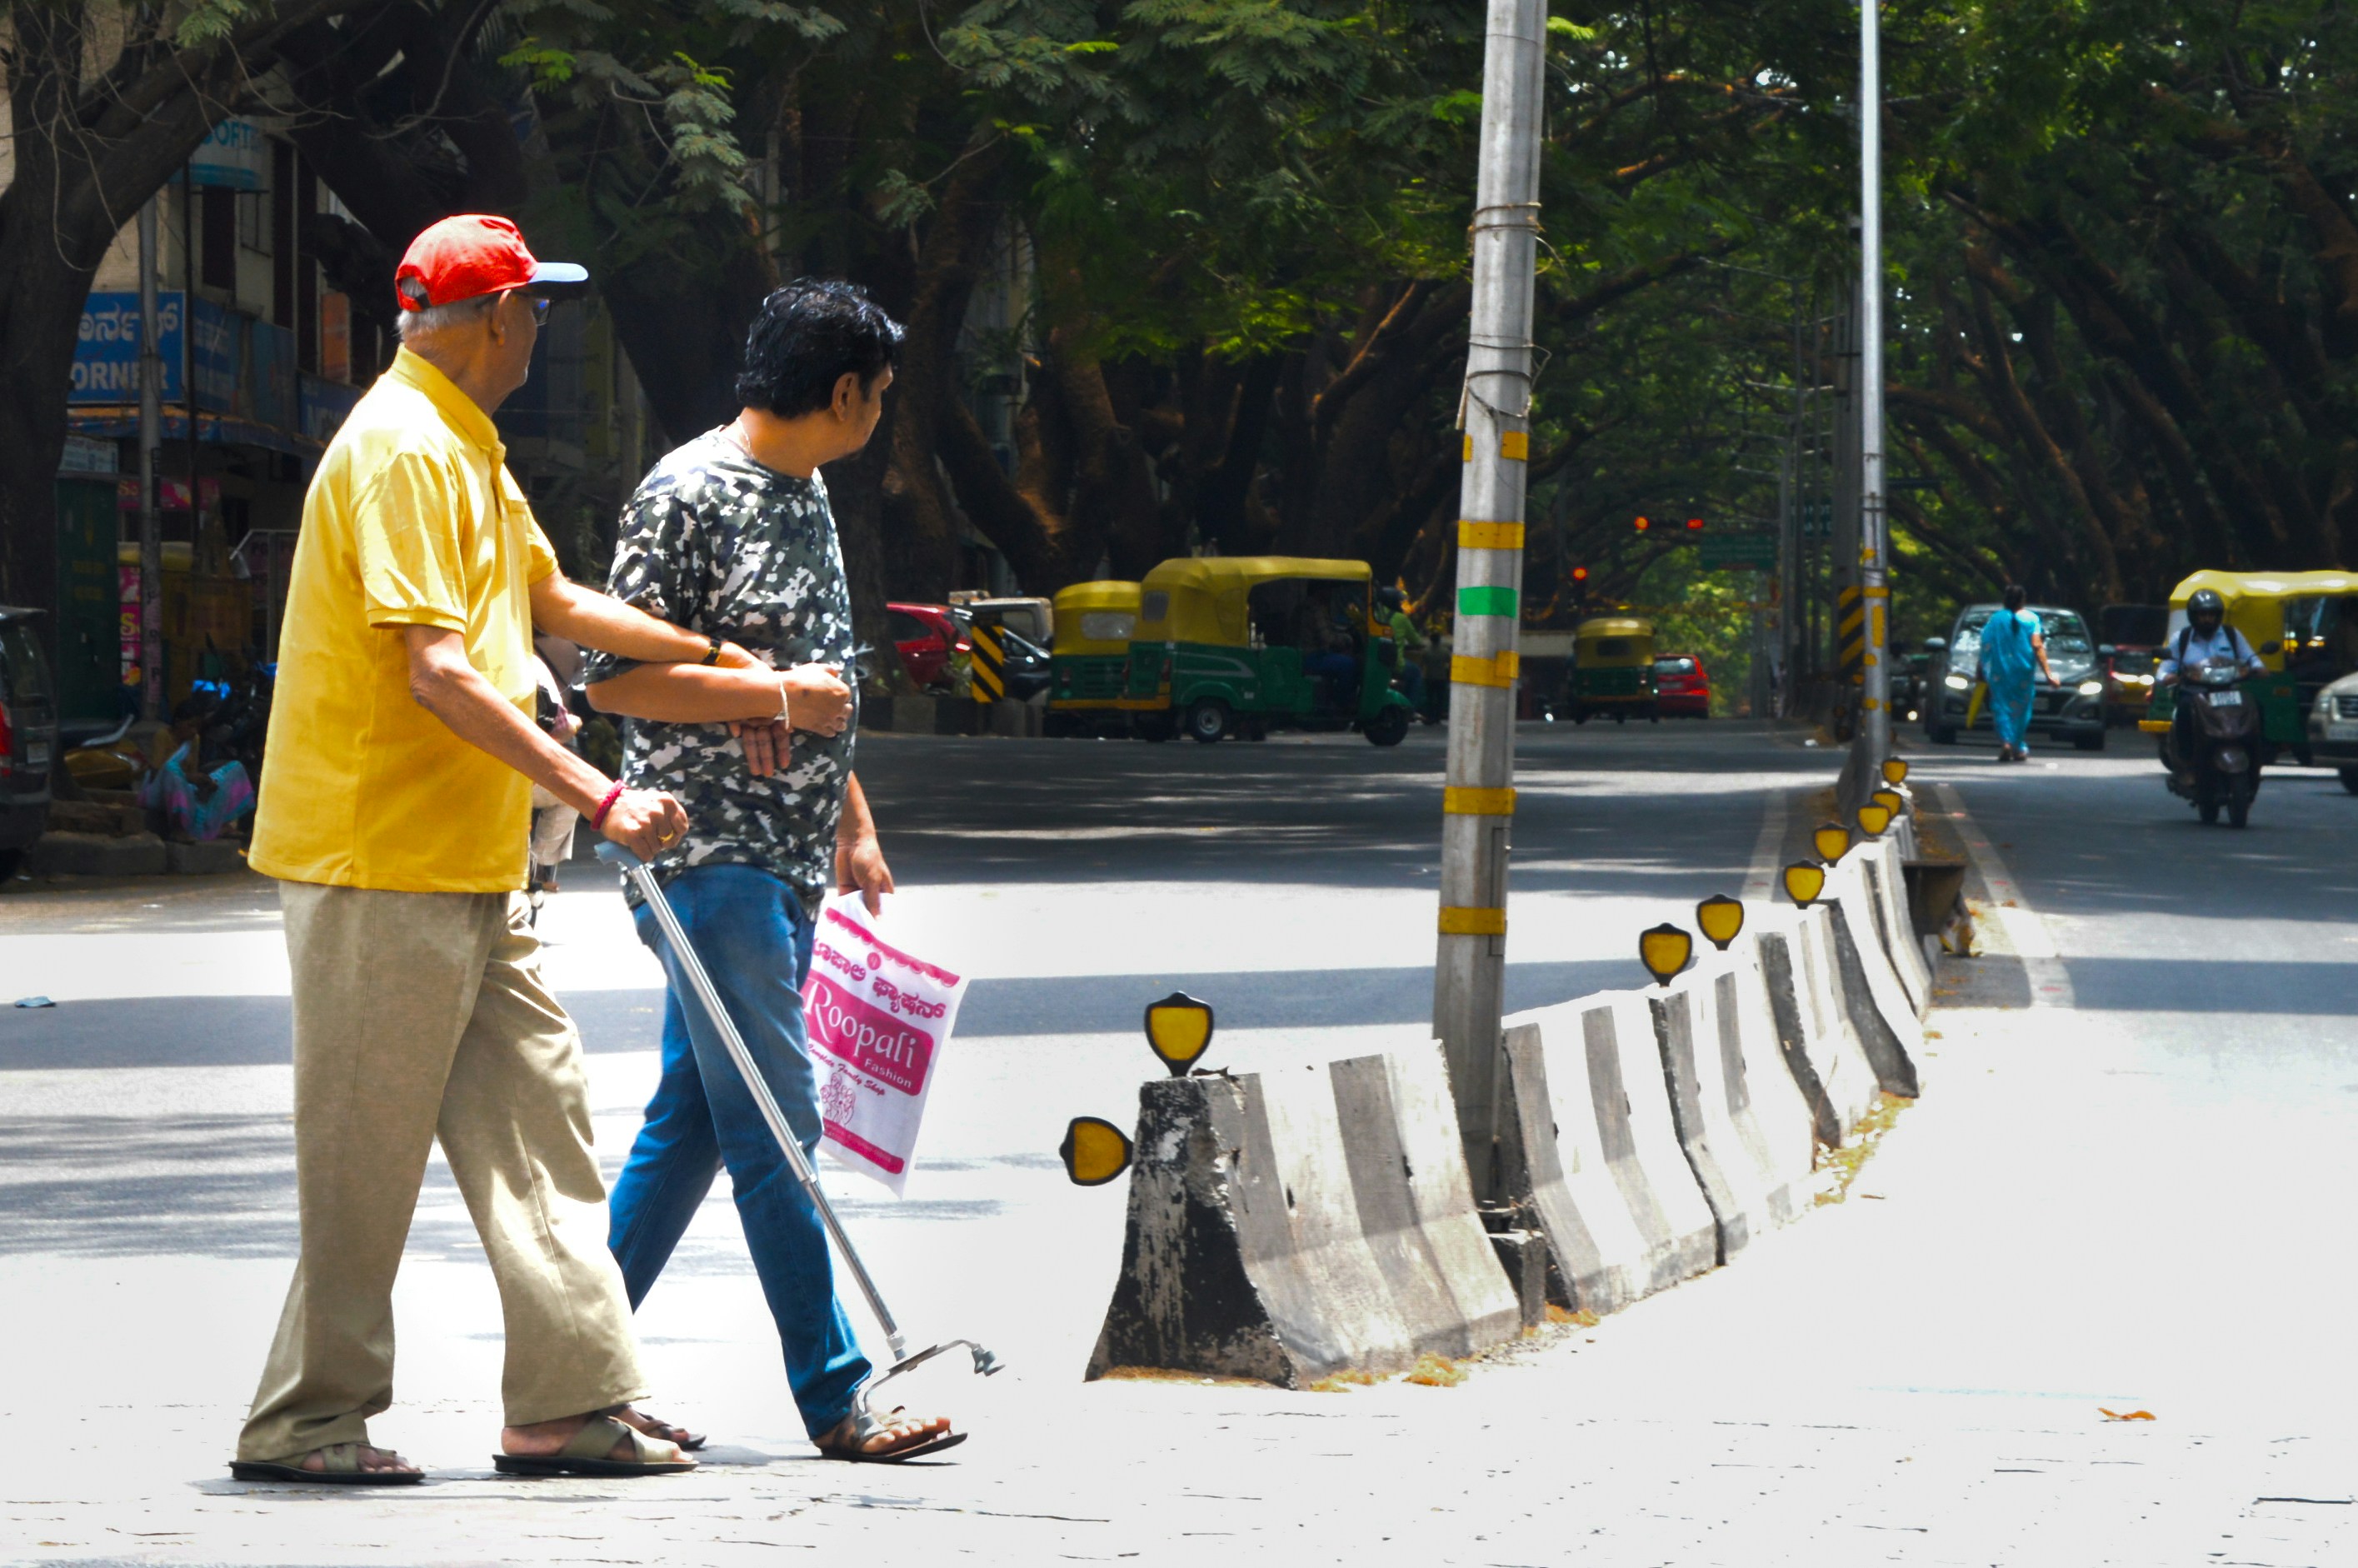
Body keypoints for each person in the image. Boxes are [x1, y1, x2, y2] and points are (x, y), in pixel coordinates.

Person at [232, 214, 751, 1486]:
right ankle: (306, 1419)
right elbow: (440, 671)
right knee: (364, 1154)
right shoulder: (403, 450)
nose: (539, 332)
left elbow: (551, 601)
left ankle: (566, 1403)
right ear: (497, 321)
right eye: (535, 311)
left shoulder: (466, 445)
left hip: (466, 860)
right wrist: (602, 790)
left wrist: (719, 661)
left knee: (542, 1124)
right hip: (379, 859)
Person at [584, 280, 961, 1464]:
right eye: (880, 396)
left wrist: (851, 818)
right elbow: (613, 678)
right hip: (705, 854)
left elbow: (820, 680)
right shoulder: (687, 491)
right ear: (841, 391)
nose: (880, 415)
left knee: (692, 1121)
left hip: (789, 856)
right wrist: (768, 695)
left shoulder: (810, 494)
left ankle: (567, 1372)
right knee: (775, 1124)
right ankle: (838, 1392)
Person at [2158, 587, 2266, 777]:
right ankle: (2187, 762)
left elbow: (2252, 659)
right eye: (2202, 615)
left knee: (2256, 706)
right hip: (2195, 693)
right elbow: (2163, 670)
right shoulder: (2181, 639)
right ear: (2193, 616)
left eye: (2212, 615)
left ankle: (2257, 757)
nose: (2207, 619)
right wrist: (2168, 677)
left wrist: (2258, 668)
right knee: (2184, 711)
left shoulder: (2232, 635)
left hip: (2230, 691)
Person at [1976, 584, 2056, 762]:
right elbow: (2037, 645)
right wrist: (2049, 673)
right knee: (2022, 709)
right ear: (2023, 600)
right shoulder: (2032, 619)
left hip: (1999, 671)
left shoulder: (1995, 620)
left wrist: (1980, 669)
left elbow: (1985, 646)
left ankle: (2006, 742)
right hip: (2023, 671)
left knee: (2000, 706)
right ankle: (2017, 746)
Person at [1378, 586, 1427, 711]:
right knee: (1416, 673)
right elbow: (1416, 641)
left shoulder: (1374, 615)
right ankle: (1410, 708)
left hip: (1375, 661)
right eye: (1399, 602)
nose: (1400, 604)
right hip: (1395, 664)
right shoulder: (1401, 618)